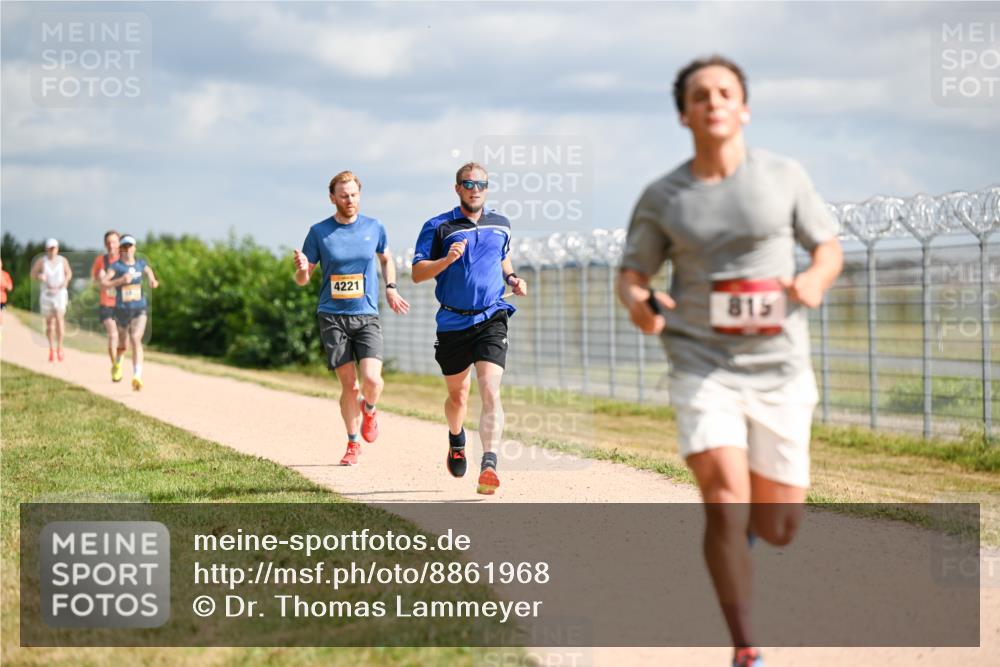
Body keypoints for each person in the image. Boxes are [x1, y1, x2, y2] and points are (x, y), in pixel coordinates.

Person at [617, 56, 843, 667]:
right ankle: (747, 648)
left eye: (725, 92)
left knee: (779, 526)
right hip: (701, 363)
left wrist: (814, 280)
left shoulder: (783, 176)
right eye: (700, 95)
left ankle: (748, 532)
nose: (713, 101)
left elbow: (827, 247)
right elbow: (632, 275)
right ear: (684, 115)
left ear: (743, 108)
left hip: (779, 368)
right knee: (723, 499)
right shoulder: (664, 197)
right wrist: (640, 305)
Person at [411, 162, 528, 496]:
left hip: (491, 316)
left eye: (481, 184)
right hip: (453, 322)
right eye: (468, 183)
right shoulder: (439, 227)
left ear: (487, 189)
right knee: (458, 396)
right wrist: (446, 260)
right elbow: (417, 274)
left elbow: (502, 257)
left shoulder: (501, 224)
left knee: (490, 389)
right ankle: (456, 438)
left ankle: (489, 464)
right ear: (457, 188)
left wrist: (511, 278)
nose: (474, 189)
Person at [294, 171, 409, 466]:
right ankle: (352, 443)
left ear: (360, 195)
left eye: (354, 195)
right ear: (332, 198)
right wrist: (303, 268)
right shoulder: (319, 232)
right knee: (350, 386)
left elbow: (386, 258)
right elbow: (303, 280)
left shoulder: (374, 227)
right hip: (332, 317)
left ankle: (369, 409)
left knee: (372, 380)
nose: (350, 200)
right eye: (344, 195)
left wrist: (391, 287)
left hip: (366, 314)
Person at [102, 235, 159, 390]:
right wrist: (120, 281)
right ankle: (117, 363)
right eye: (124, 247)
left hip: (140, 309)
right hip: (122, 310)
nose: (127, 250)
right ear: (120, 249)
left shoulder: (141, 263)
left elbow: (148, 271)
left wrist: (152, 280)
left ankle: (137, 376)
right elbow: (104, 283)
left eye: (130, 246)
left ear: (135, 248)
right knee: (123, 344)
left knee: (135, 338)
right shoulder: (116, 267)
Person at [90, 230, 127, 381]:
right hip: (106, 304)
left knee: (123, 339)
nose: (111, 245)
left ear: (119, 243)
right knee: (113, 335)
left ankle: (118, 361)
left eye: (114, 242)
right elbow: (94, 282)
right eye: (108, 242)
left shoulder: (125, 260)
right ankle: (116, 366)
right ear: (105, 244)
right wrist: (100, 279)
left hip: (123, 304)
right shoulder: (100, 261)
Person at [32, 238, 72, 362]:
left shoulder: (62, 260)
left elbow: (69, 273)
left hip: (60, 293)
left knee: (59, 319)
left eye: (53, 248)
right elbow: (33, 274)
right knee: (49, 324)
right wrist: (40, 276)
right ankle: (51, 349)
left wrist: (66, 281)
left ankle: (59, 347)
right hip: (47, 294)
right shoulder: (41, 261)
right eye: (50, 248)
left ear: (57, 249)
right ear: (46, 249)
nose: (52, 251)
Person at [0, 258, 12, 326]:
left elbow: (10, 287)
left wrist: (4, 284)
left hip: (2, 299)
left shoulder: (5, 275)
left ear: (1, 264)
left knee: (0, 315)